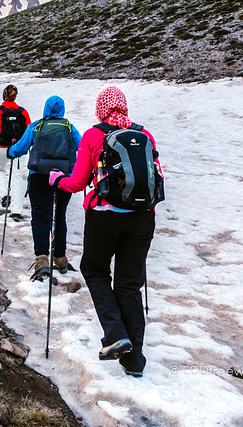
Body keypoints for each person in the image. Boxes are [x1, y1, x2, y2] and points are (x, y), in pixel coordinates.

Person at [49, 85, 160, 378]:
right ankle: (135, 361)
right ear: (123, 106)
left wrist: (57, 181)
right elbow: (156, 179)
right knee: (129, 285)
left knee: (94, 269)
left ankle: (114, 333)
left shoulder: (94, 135)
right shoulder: (144, 135)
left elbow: (78, 181)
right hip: (142, 219)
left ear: (101, 107)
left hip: (104, 217)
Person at [8, 95, 81, 279]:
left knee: (41, 217)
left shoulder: (37, 126)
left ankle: (42, 259)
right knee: (60, 216)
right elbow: (81, 146)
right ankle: (60, 258)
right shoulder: (69, 127)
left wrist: (10, 151)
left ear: (46, 108)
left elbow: (19, 149)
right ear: (62, 109)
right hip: (64, 178)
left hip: (39, 177)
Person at [0, 85, 31, 220]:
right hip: (18, 147)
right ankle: (16, 210)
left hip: (1, 146)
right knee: (16, 176)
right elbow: (29, 130)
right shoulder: (23, 112)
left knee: (0, 171)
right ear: (15, 96)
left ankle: (5, 195)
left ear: (4, 95)